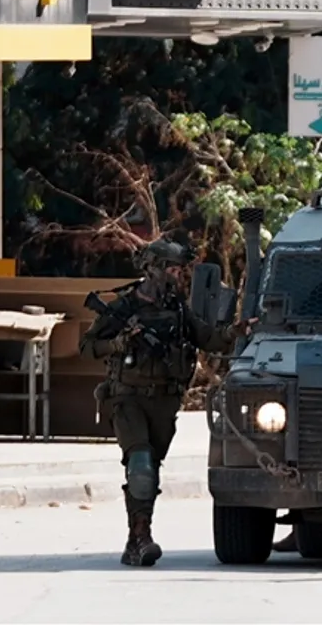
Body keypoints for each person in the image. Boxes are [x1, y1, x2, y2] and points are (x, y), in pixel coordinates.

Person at [80, 237, 254, 567]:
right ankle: (141, 538)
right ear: (155, 269)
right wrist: (117, 344)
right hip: (127, 399)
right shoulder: (123, 308)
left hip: (165, 402)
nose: (178, 275)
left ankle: (136, 538)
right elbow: (87, 347)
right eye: (173, 269)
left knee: (150, 472)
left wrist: (237, 331)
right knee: (141, 466)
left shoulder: (176, 307)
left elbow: (205, 338)